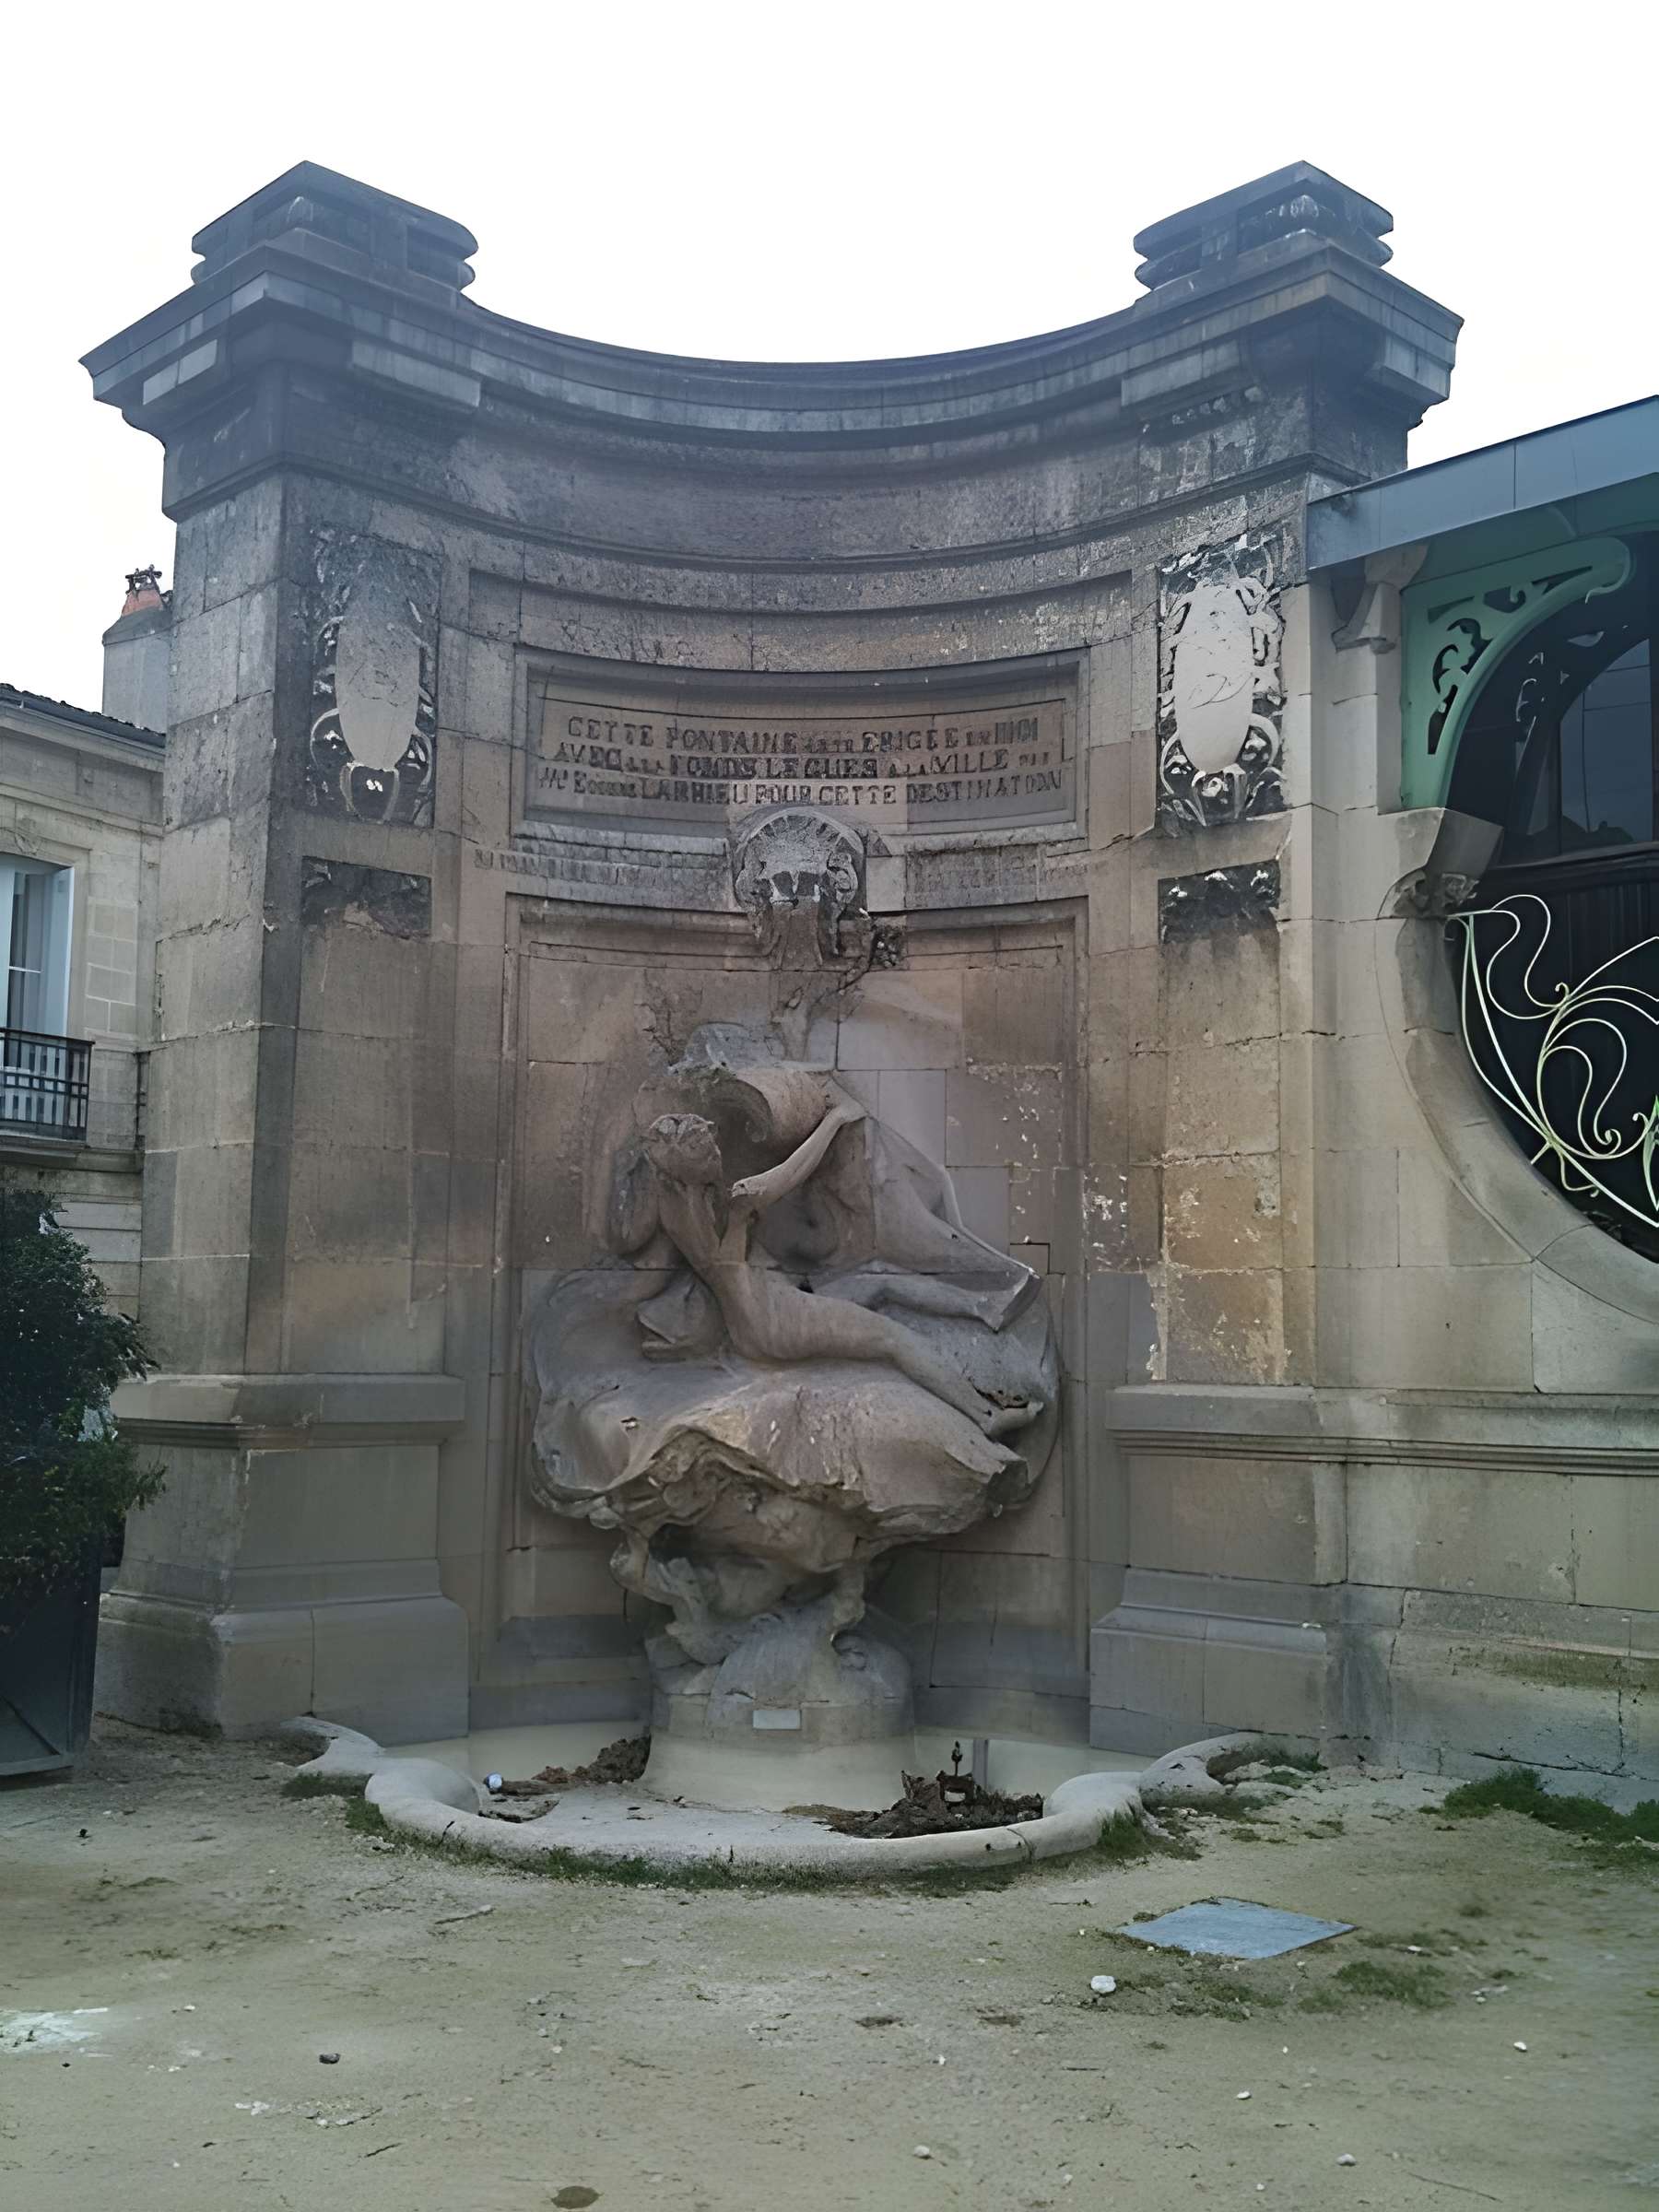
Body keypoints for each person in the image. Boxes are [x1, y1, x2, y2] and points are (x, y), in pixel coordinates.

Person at [640, 1098, 1031, 1438]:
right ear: (686, 1166)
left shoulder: (677, 1208)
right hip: (775, 1319)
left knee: (880, 1279)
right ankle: (986, 1416)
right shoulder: (736, 1204)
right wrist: (837, 1119)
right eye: (708, 1153)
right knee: (892, 1340)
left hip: (759, 1316)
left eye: (713, 1147)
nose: (718, 1156)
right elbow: (792, 1172)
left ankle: (985, 1308)